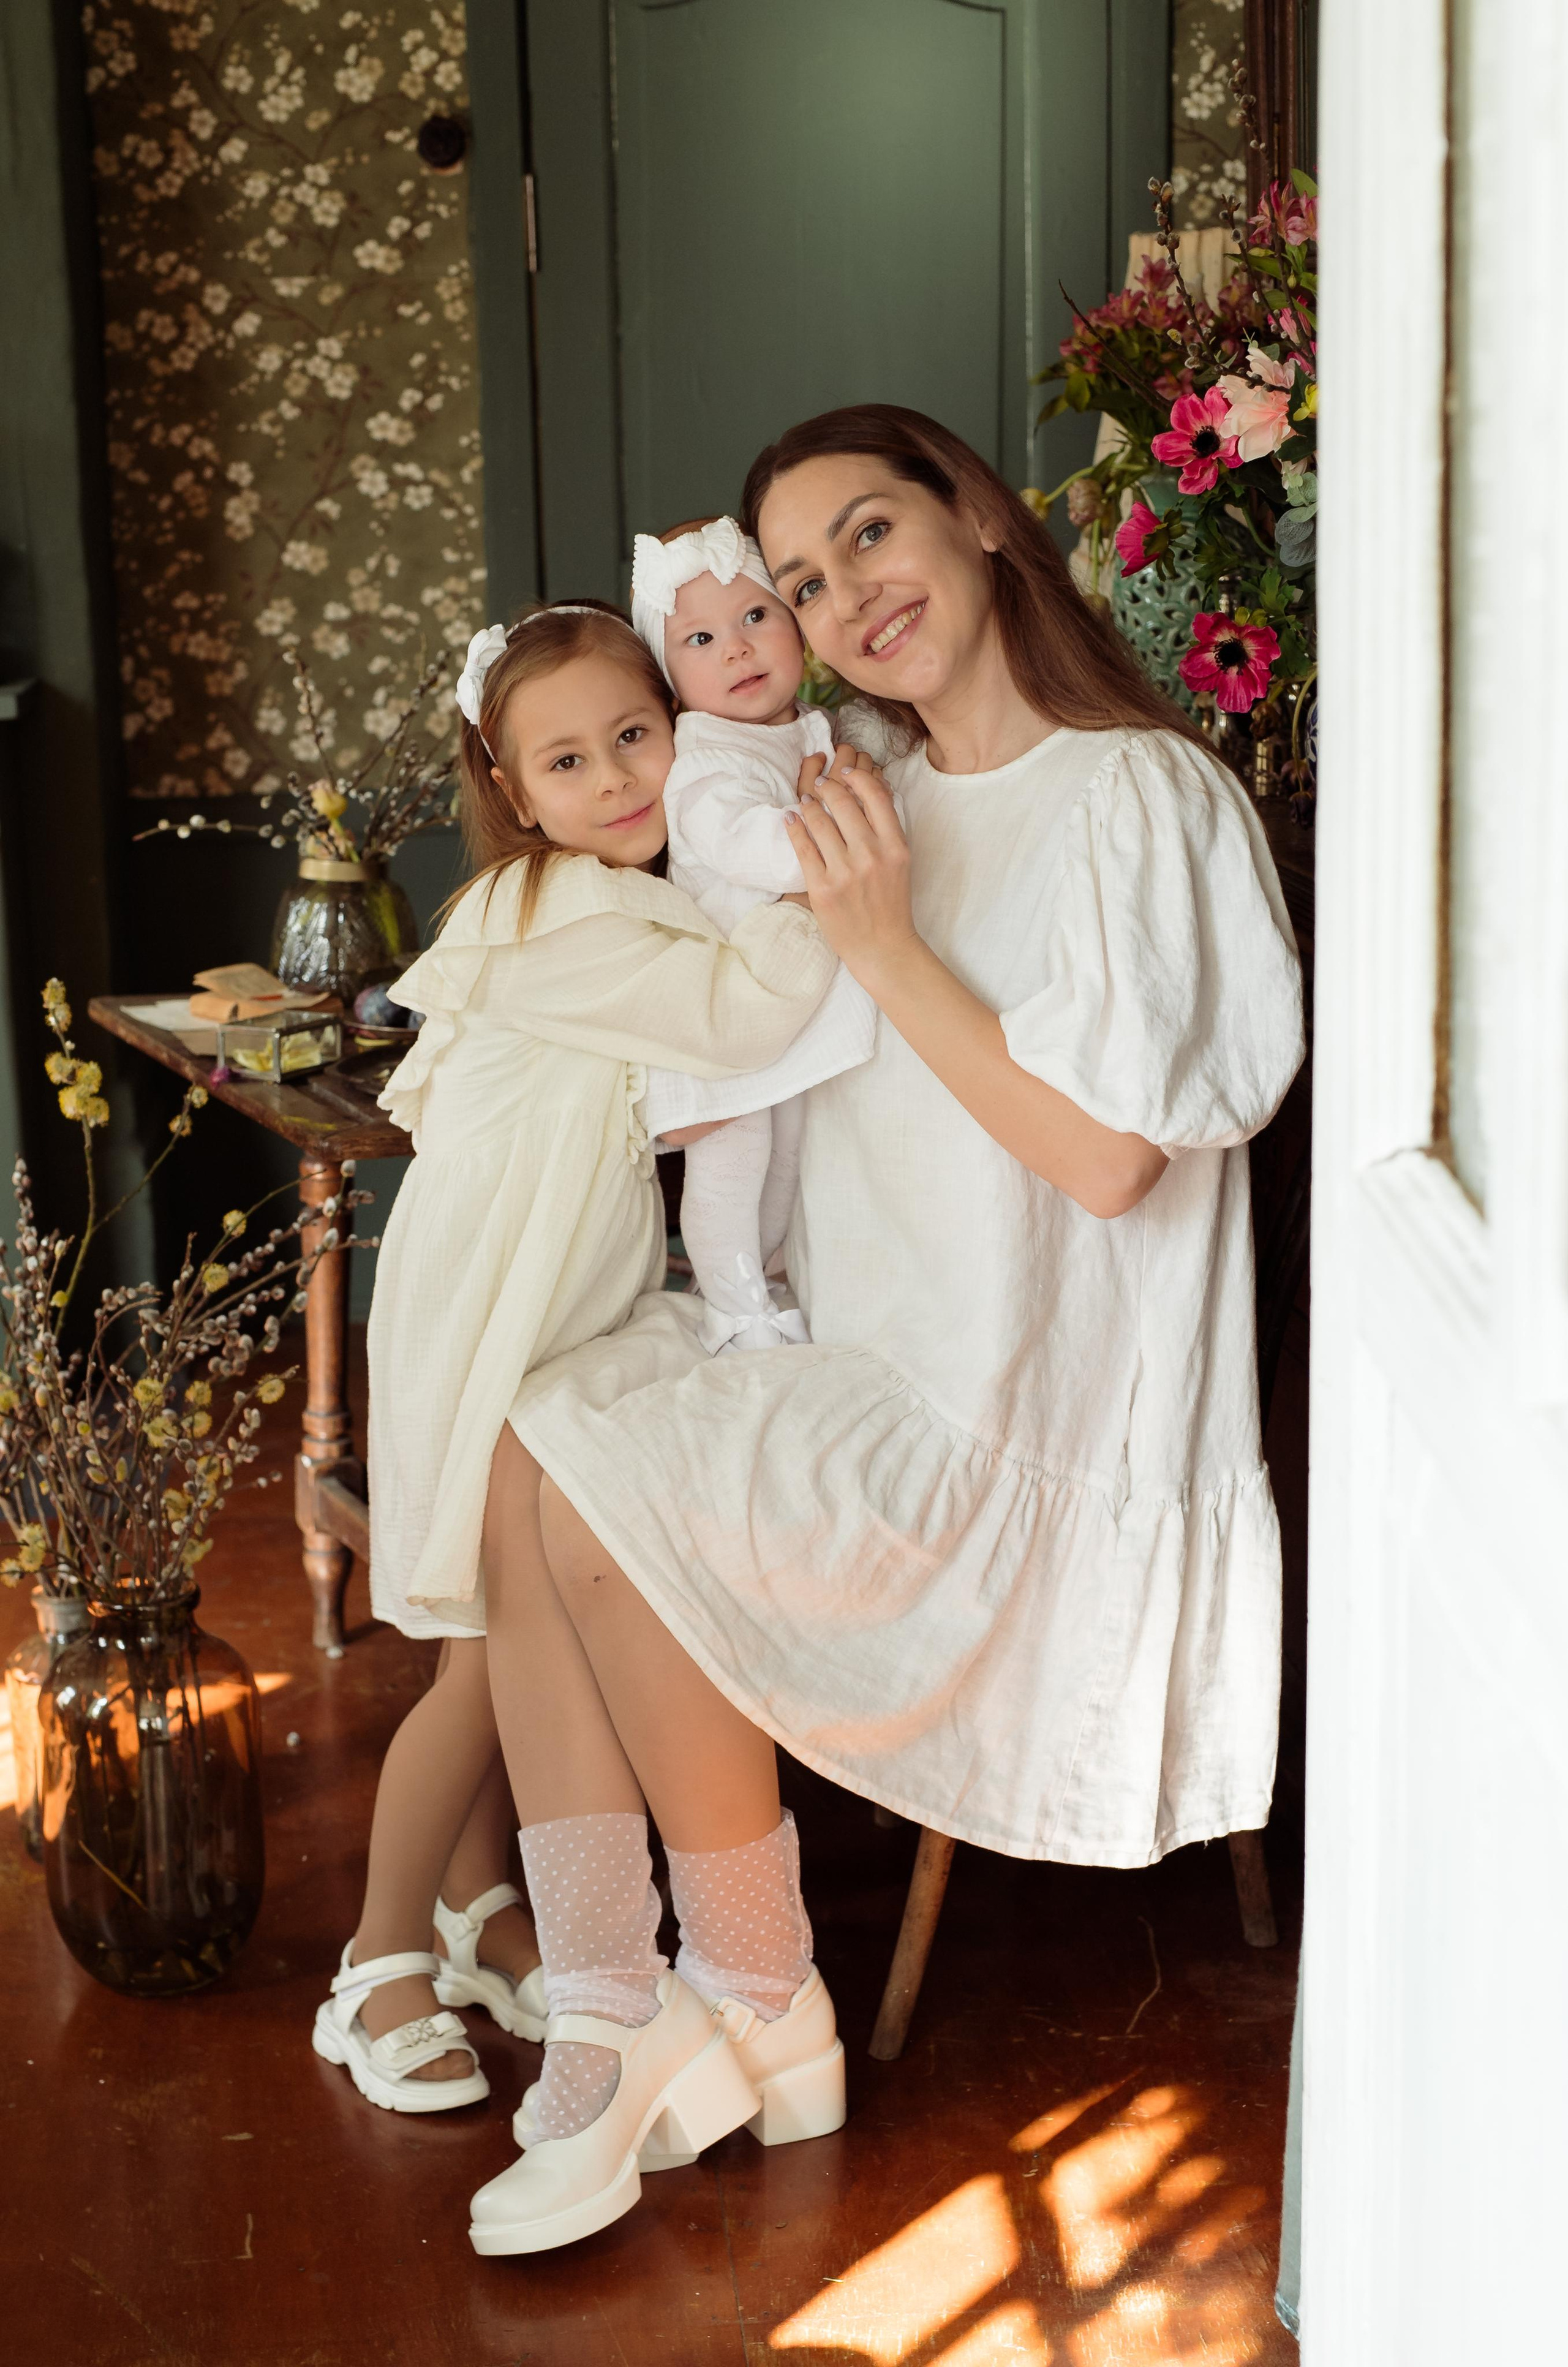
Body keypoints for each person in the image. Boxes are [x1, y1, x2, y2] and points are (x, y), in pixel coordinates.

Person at [472, 404, 1305, 2259]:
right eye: (795, 579)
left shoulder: (1144, 797)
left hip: (1022, 1432)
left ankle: (758, 1997)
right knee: (522, 1431)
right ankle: (628, 1997)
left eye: (869, 535)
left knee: (600, 1488)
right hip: (857, 1354)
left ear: (982, 524)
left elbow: (1106, 1165)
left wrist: (884, 943)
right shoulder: (869, 790)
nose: (842, 595)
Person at [313, 600, 846, 2140]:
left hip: (534, 1300)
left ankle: (486, 1912)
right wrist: (821, 874)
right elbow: (754, 1007)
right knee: (484, 1665)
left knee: (500, 1634)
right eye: (569, 759)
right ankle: (377, 1956)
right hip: (497, 1319)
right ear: (513, 783)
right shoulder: (572, 914)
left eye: (637, 736)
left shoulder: (580, 896)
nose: (616, 778)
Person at [631, 513, 878, 1353]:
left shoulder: (808, 728)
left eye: (756, 617)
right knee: (734, 1159)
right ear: (669, 676)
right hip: (728, 1011)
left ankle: (759, 1275)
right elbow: (756, 846)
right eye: (700, 638)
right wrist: (833, 818)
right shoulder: (704, 760)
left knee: (788, 1154)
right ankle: (733, 1306)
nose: (736, 649)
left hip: (791, 1005)